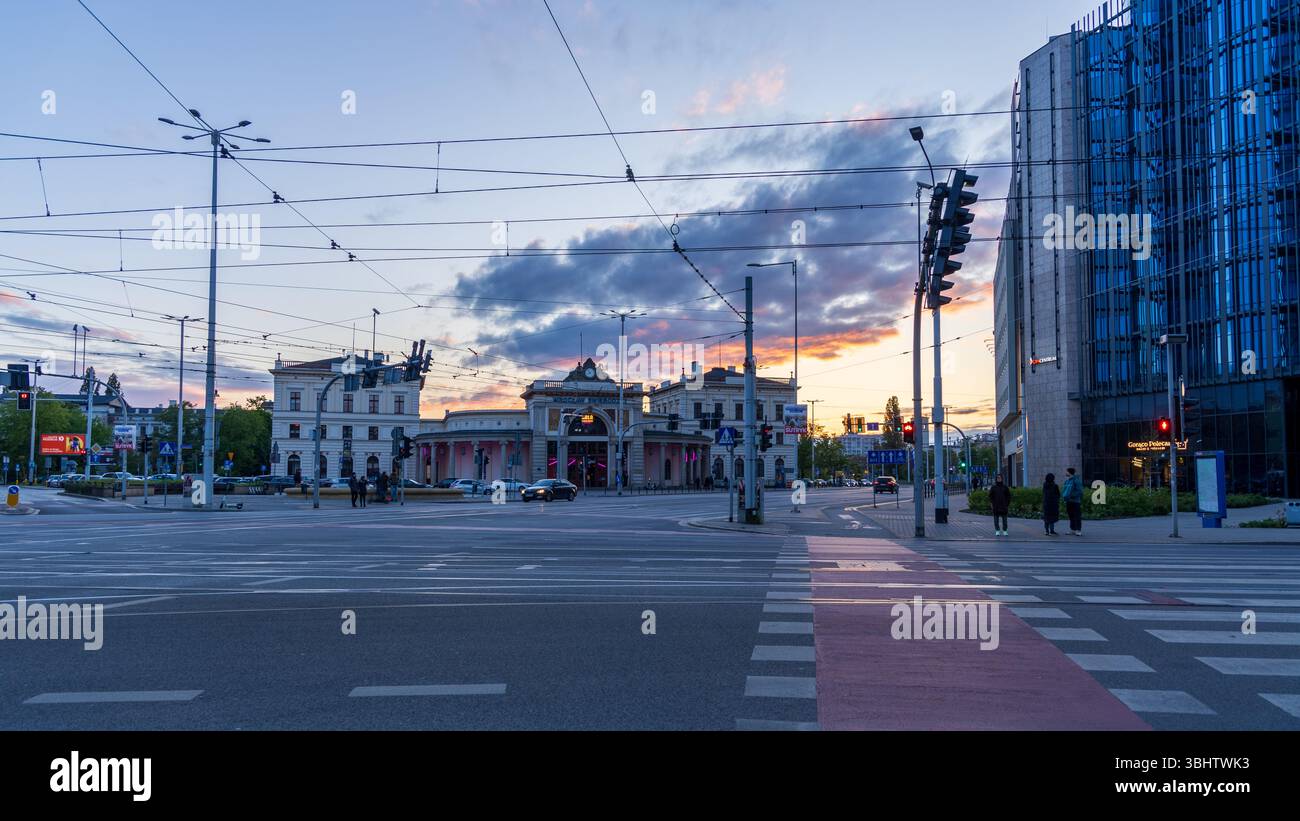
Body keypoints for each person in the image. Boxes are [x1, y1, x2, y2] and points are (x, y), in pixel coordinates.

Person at [1062, 467, 1084, 536]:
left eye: (1066, 471)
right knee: (1071, 516)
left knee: (1077, 516)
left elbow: (1080, 491)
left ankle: (1078, 530)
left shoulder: (1076, 480)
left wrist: (1071, 496)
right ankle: (1073, 529)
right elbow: (1065, 490)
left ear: (1069, 472)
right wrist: (1065, 498)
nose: (1065, 473)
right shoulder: (1067, 481)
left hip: (1075, 501)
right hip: (1069, 501)